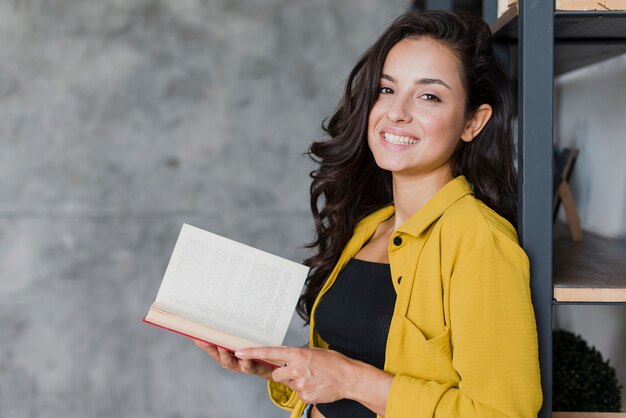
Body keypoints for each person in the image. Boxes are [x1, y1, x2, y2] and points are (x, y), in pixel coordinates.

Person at [192, 9, 542, 418]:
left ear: (473, 122)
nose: (397, 112)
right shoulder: (369, 227)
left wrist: (349, 379)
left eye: (429, 95)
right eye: (386, 89)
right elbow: (347, 366)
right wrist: (276, 367)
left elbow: (503, 412)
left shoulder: (479, 241)